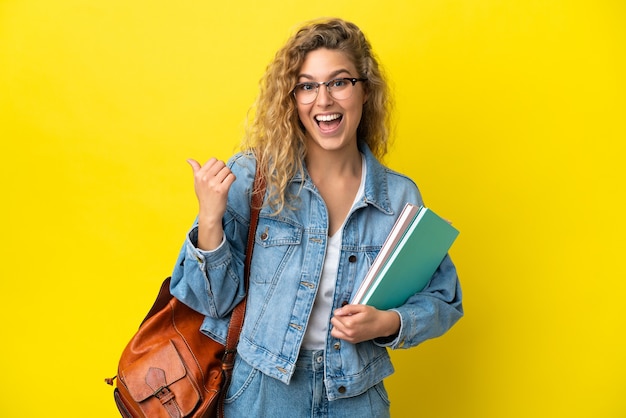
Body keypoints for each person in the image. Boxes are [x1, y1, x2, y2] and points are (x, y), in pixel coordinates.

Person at [170, 17, 463, 418]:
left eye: (339, 82)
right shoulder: (255, 178)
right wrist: (209, 219)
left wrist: (387, 322)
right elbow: (210, 302)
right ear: (292, 99)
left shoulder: (398, 197)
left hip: (357, 395)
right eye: (307, 86)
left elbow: (444, 299)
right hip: (263, 392)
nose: (323, 100)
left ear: (364, 91)